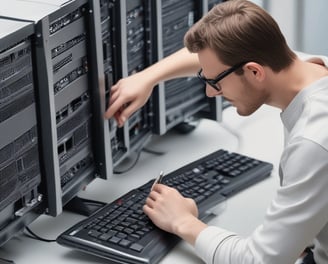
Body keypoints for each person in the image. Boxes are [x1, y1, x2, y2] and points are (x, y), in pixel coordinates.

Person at [105, 0, 328, 263]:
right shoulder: (307, 68)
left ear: (255, 71)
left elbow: (258, 260)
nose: (211, 93)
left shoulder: (313, 141)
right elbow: (219, 59)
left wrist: (183, 222)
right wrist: (148, 77)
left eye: (214, 83)